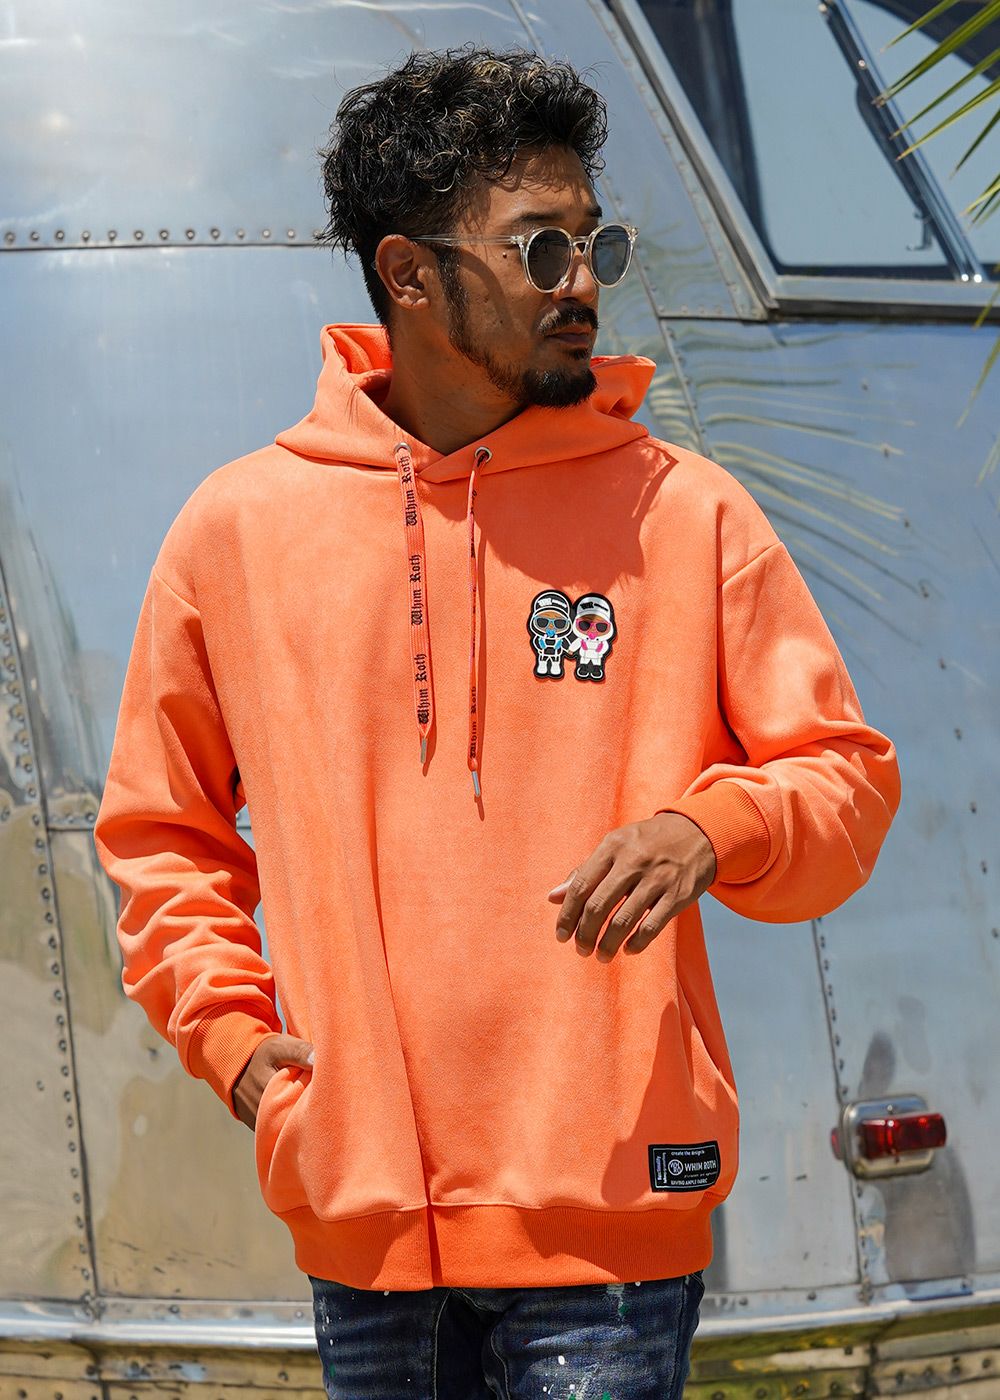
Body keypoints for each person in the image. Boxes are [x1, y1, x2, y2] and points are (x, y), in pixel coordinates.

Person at [93, 43, 901, 1400]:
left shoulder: (685, 512)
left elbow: (847, 784)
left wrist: (715, 825)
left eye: (596, 243)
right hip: (364, 1246)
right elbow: (160, 835)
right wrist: (233, 1045)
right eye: (540, 248)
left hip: (612, 1242)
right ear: (409, 274)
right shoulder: (239, 531)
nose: (582, 282)